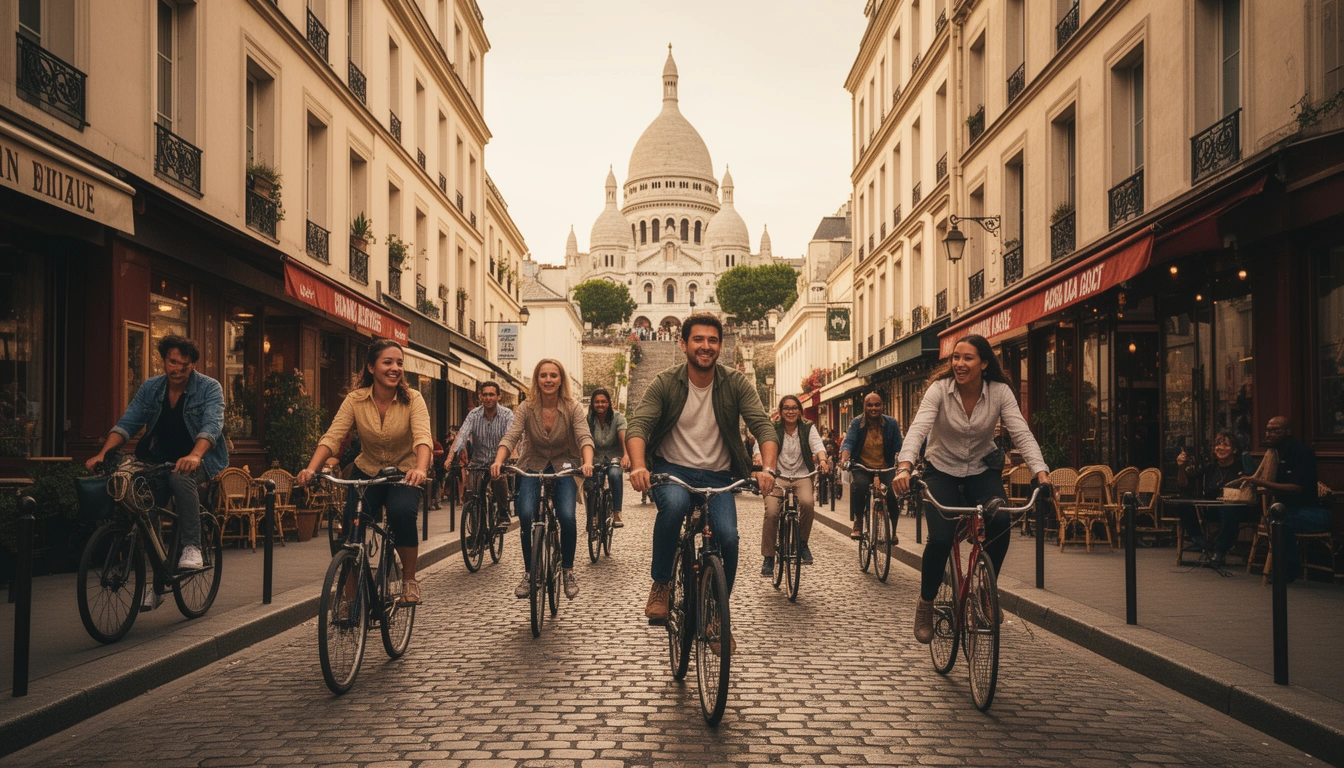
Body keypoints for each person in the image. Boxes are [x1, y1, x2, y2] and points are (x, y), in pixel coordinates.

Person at [628, 313, 778, 636]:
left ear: (721, 346)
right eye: (698, 339)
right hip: (672, 470)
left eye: (712, 340)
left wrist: (767, 468)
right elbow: (639, 424)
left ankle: (716, 613)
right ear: (683, 344)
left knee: (729, 538)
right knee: (674, 507)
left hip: (718, 476)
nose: (705, 346)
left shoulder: (735, 382)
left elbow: (763, 425)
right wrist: (639, 465)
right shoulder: (665, 382)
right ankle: (662, 584)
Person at [893, 334, 1049, 644]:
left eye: (967, 358)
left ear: (984, 363)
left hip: (981, 471)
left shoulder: (999, 392)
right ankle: (926, 602)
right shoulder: (939, 389)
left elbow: (1021, 432)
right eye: (956, 357)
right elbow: (918, 429)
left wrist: (1041, 473)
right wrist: (905, 466)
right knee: (940, 538)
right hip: (941, 470)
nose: (959, 364)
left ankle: (986, 590)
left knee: (1001, 521)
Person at [86, 335, 227, 610]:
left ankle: (192, 548)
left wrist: (195, 455)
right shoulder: (151, 388)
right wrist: (103, 454)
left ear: (193, 365)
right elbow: (127, 423)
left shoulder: (209, 388)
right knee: (142, 505)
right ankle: (160, 580)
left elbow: (212, 425)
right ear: (164, 360)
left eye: (184, 365)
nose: (177, 369)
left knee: (180, 477)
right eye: (173, 362)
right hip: (157, 460)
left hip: (199, 459)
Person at [298, 340, 432, 605]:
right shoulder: (355, 399)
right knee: (351, 529)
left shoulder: (413, 399)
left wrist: (420, 469)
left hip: (403, 473)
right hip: (367, 469)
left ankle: (409, 580)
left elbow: (422, 437)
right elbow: (333, 436)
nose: (395, 368)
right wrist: (311, 469)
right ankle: (350, 599)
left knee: (401, 513)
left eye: (399, 363)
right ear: (371, 367)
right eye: (388, 362)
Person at [492, 359, 594, 600]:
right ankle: (530, 573)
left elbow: (584, 437)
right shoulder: (527, 407)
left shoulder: (572, 407)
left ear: (560, 380)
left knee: (567, 516)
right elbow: (512, 435)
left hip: (563, 464)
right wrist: (498, 461)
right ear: (537, 380)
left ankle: (568, 570)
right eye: (543, 375)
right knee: (526, 514)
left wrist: (587, 462)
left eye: (553, 375)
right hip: (533, 464)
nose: (548, 380)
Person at [1242, 416, 1332, 582]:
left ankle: (1289, 569)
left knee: (1282, 521)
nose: (1269, 434)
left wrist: (1261, 483)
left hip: (1311, 511)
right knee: (1278, 518)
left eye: (1275, 430)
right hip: (1288, 510)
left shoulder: (1301, 452)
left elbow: (1296, 488)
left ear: (1288, 432)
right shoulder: (1274, 454)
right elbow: (1277, 486)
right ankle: (1285, 567)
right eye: (1268, 430)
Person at [756, 395, 829, 574]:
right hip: (777, 476)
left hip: (802, 475)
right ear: (780, 411)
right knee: (772, 512)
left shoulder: (807, 427)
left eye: (794, 408)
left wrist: (823, 460)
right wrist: (758, 457)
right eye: (787, 408)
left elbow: (818, 445)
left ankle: (802, 543)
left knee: (807, 503)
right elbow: (761, 444)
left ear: (800, 411)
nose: (790, 412)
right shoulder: (773, 427)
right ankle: (768, 557)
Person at [1174, 430, 1248, 564]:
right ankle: (1201, 541)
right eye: (1218, 444)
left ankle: (1219, 551)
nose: (1220, 448)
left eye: (1225, 445)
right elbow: (1183, 484)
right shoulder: (1210, 468)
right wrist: (1181, 467)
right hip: (1212, 510)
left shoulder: (1241, 467)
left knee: (1229, 510)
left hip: (1236, 510)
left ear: (1235, 449)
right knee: (1182, 504)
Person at [839, 392, 904, 540]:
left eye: (877, 405)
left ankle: (893, 530)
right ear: (864, 406)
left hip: (886, 466)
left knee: (892, 493)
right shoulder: (857, 423)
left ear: (882, 406)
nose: (873, 408)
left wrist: (902, 462)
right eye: (870, 405)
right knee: (860, 486)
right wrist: (845, 458)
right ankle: (858, 521)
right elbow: (849, 442)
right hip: (862, 467)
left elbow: (899, 446)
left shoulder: (891, 423)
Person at [449, 382, 514, 524]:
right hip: (478, 462)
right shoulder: (474, 414)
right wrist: (451, 456)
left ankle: (502, 512)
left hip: (498, 462)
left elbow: (510, 437)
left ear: (498, 396)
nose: (488, 398)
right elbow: (462, 435)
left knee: (498, 479)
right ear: (480, 396)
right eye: (485, 395)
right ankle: (477, 526)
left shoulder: (507, 414)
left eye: (491, 394)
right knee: (473, 494)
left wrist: (502, 460)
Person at [586, 388, 630, 528]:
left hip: (614, 455)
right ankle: (592, 515)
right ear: (592, 404)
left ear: (609, 403)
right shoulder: (588, 419)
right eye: (597, 402)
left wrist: (626, 455)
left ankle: (617, 512)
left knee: (615, 474)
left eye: (603, 402)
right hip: (595, 456)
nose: (600, 405)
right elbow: (584, 439)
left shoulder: (618, 417)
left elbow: (623, 436)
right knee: (591, 481)